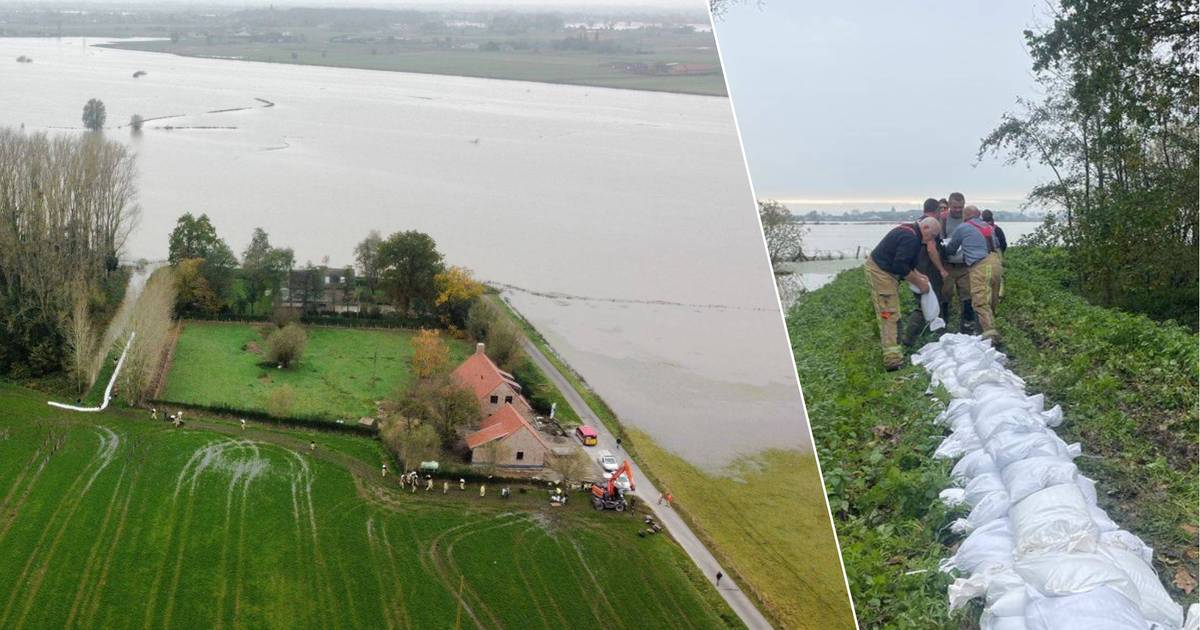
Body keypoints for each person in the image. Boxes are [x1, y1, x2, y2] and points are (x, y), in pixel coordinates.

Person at [864, 216, 941, 369]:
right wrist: (919, 283)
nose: (932, 240)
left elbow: (907, 263)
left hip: (887, 271)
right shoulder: (910, 238)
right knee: (889, 314)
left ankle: (895, 352)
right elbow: (900, 266)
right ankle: (892, 361)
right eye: (932, 236)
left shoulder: (914, 234)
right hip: (881, 273)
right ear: (925, 228)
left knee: (894, 313)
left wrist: (919, 275)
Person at [944, 206, 1004, 341]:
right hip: (995, 262)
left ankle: (990, 334)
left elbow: (952, 248)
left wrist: (942, 250)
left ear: (966, 215)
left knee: (980, 301)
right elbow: (996, 245)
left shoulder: (963, 227)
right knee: (992, 299)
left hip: (980, 265)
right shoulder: (988, 227)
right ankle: (987, 328)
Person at [903, 199, 949, 347]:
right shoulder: (930, 225)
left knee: (924, 302)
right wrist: (941, 269)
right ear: (936, 211)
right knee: (930, 301)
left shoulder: (918, 223)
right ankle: (915, 339)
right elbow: (931, 249)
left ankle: (932, 334)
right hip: (928, 269)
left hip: (917, 267)